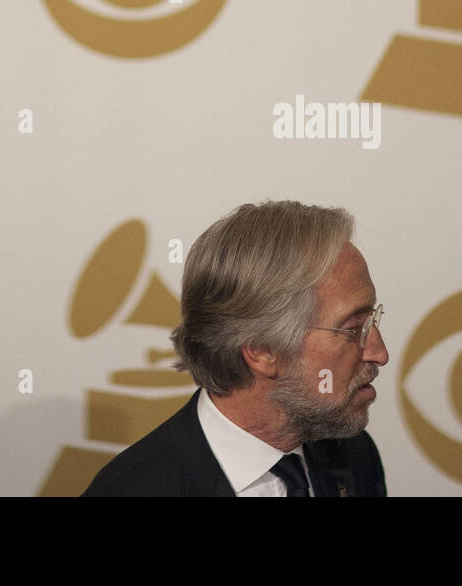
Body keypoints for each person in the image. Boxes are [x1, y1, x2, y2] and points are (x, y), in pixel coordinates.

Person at [83, 201, 389, 496]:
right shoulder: (133, 489)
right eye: (352, 329)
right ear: (261, 350)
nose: (379, 353)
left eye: (372, 321)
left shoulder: (354, 454)